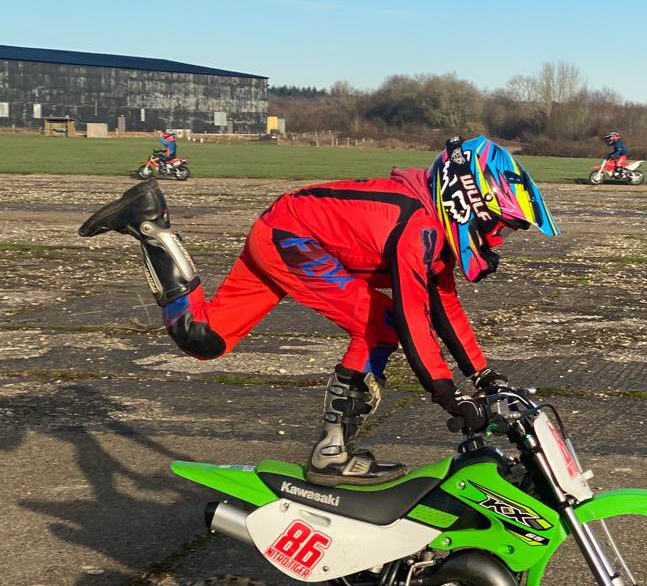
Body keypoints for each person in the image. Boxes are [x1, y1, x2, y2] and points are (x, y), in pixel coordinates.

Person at [78, 135, 559, 486]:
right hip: (292, 238)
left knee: (201, 338)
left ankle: (151, 227)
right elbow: (415, 319)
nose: (497, 238)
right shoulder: (418, 227)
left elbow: (443, 306)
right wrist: (449, 398)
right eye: (497, 225)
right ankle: (332, 451)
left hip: (285, 229)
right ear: (465, 201)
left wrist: (485, 376)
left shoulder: (429, 227)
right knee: (383, 327)